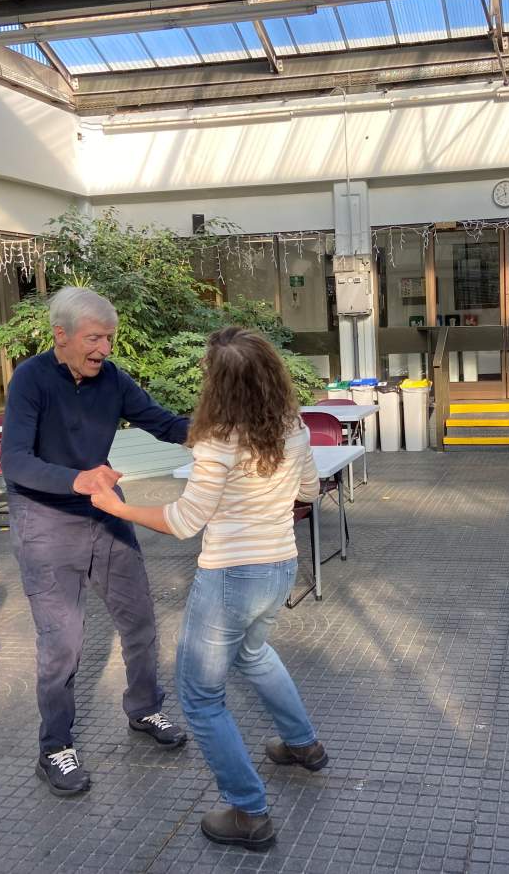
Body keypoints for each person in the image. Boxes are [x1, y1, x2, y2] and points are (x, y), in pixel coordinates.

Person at [91, 326, 327, 852]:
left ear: (218, 383)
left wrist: (115, 506)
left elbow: (184, 521)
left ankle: (249, 811)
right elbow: (310, 491)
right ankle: (302, 744)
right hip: (280, 566)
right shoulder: (293, 427)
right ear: (271, 375)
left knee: (200, 697)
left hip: (230, 576)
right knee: (253, 654)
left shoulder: (218, 440)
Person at [2, 286, 189, 798]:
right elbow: (14, 461)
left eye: (109, 338)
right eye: (94, 338)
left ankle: (145, 708)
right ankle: (54, 747)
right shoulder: (31, 379)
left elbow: (164, 423)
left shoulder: (113, 379)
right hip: (45, 518)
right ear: (60, 335)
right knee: (62, 641)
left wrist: (220, 435)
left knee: (139, 618)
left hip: (104, 509)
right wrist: (76, 479)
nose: (104, 349)